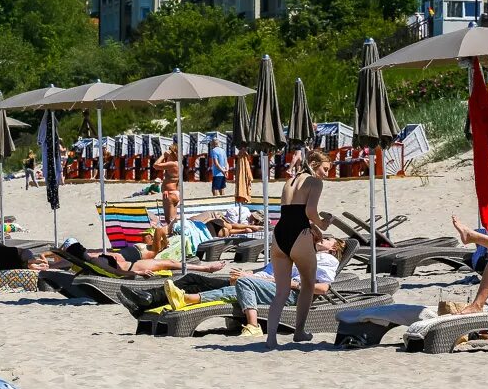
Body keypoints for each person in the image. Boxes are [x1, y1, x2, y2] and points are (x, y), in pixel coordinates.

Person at [122, 237, 346, 336]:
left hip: (264, 287)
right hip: (256, 282)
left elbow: (317, 286)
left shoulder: (325, 261)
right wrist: (250, 273)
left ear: (334, 248)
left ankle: (150, 300)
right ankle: (147, 301)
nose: (321, 239)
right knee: (192, 278)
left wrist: (251, 277)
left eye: (327, 239)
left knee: (194, 280)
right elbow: (269, 272)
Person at [265, 149, 333, 348]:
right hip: (299, 237)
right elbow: (309, 211)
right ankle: (299, 331)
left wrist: (312, 226)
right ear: (313, 164)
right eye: (325, 169)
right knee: (308, 285)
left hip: (279, 236)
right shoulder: (314, 182)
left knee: (281, 292)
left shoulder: (289, 181)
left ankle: (270, 338)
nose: (326, 174)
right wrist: (322, 223)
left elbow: (291, 213)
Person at [58, 239, 226, 277]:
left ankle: (205, 268)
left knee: (170, 263)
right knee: (169, 264)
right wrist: (139, 274)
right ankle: (206, 268)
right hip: (133, 268)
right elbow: (117, 273)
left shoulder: (91, 258)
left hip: (133, 264)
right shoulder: (94, 260)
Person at [153, 144, 181, 227]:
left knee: (169, 220)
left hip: (169, 194)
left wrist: (163, 155)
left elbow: (155, 165)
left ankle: (173, 237)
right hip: (175, 192)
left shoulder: (172, 164)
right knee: (173, 219)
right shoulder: (179, 164)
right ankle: (175, 235)